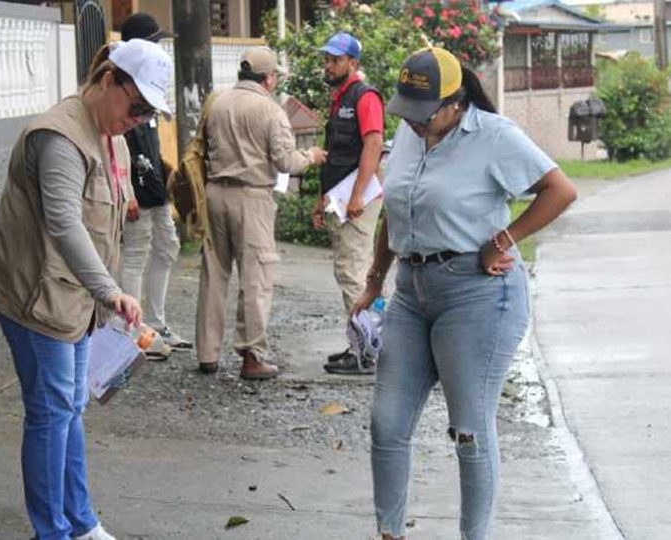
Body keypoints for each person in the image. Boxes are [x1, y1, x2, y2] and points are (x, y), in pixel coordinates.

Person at [355, 47, 577, 540]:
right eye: (407, 113)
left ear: (454, 103)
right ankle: (389, 533)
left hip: (478, 296)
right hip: (412, 293)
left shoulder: (495, 137)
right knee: (386, 424)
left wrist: (504, 239)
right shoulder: (411, 133)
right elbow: (395, 209)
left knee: (469, 430)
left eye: (423, 113)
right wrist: (374, 279)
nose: (412, 123)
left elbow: (560, 190)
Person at [0, 39, 173, 540]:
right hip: (35, 297)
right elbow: (65, 225)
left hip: (75, 300)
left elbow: (106, 225)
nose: (140, 118)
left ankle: (80, 521)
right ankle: (53, 531)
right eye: (137, 104)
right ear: (108, 80)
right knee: (52, 410)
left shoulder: (114, 138)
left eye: (150, 111)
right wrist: (110, 291)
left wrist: (109, 297)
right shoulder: (58, 137)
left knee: (70, 407)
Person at [195, 46, 326, 380]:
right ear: (268, 78)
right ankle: (252, 356)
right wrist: (309, 156)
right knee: (256, 278)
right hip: (251, 197)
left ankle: (207, 354)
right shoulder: (269, 110)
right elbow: (285, 162)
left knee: (214, 273)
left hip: (214, 193)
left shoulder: (218, 102)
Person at [115, 13, 192, 351]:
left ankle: (157, 323)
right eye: (155, 41)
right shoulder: (121, 87)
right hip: (135, 190)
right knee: (135, 254)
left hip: (154, 187)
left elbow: (149, 143)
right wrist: (126, 192)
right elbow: (115, 144)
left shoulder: (149, 86)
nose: (160, 49)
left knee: (168, 246)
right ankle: (132, 332)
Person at [312, 32, 386, 375]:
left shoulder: (364, 96)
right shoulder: (340, 97)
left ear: (352, 63)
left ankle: (367, 352)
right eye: (327, 59)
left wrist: (357, 195)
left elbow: (373, 144)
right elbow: (337, 155)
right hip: (342, 195)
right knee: (352, 270)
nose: (328, 65)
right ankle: (361, 344)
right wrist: (322, 199)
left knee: (354, 272)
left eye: (335, 60)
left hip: (358, 197)